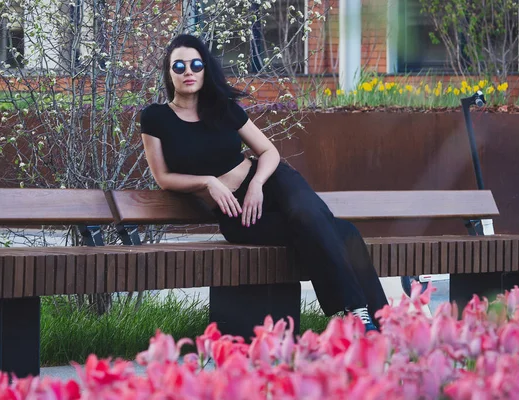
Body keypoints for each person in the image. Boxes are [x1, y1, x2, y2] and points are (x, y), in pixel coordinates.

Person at [139, 34, 389, 332]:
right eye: (179, 66)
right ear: (169, 73)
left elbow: (269, 151)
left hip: (272, 182)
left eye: (196, 64)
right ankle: (382, 319)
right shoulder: (155, 118)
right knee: (344, 232)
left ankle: (359, 314)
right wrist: (207, 182)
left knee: (308, 216)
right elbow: (162, 177)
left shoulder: (224, 109)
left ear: (206, 69)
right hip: (236, 213)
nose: (188, 71)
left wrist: (257, 183)